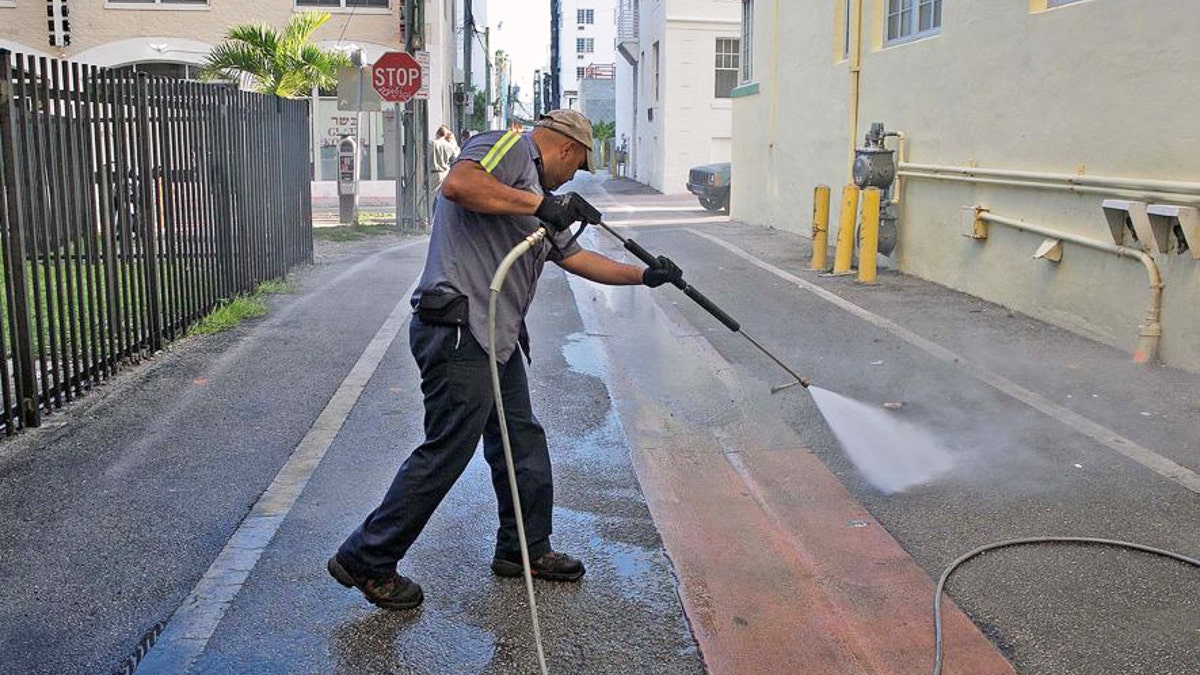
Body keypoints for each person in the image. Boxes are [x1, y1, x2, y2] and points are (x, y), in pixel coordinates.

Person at [328, 109, 684, 610]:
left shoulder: (541, 198)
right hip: (457, 326)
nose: (575, 175)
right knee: (449, 446)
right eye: (579, 164)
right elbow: (459, 183)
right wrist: (543, 203)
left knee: (521, 439)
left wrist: (643, 276)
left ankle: (524, 548)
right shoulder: (509, 148)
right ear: (565, 148)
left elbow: (576, 257)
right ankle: (368, 556)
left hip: (497, 336)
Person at [429, 125, 460, 193]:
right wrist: (453, 140)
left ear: (437, 133)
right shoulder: (449, 146)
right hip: (445, 174)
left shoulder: (432, 143)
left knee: (431, 196)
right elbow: (456, 155)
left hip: (434, 173)